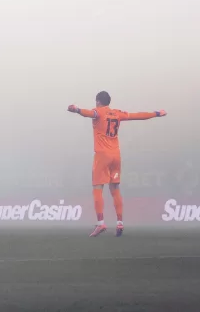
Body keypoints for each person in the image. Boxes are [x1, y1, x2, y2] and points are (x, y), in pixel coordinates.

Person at [68, 91, 166, 236]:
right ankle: (120, 223)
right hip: (116, 156)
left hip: (102, 156)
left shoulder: (98, 112)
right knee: (115, 189)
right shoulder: (117, 113)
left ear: (98, 101)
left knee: (97, 188)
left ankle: (100, 224)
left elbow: (88, 113)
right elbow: (137, 116)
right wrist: (156, 113)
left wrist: (76, 109)